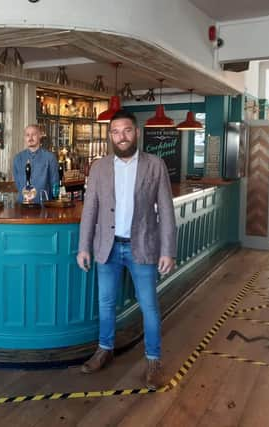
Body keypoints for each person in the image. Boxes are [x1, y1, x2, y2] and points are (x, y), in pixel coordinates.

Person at [76, 109, 176, 390]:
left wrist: (168, 250)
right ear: (110, 135)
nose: (122, 136)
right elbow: (90, 210)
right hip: (106, 248)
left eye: (127, 130)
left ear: (137, 132)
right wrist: (83, 246)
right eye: (116, 132)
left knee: (149, 307)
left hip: (142, 246)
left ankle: (153, 360)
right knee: (105, 303)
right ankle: (104, 349)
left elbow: (166, 211)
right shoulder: (99, 167)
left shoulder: (155, 165)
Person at [13, 124, 59, 203]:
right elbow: (18, 183)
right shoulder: (18, 158)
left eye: (33, 134)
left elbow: (55, 184)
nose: (30, 138)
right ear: (24, 138)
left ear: (40, 136)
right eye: (27, 135)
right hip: (23, 206)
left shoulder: (50, 158)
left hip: (43, 206)